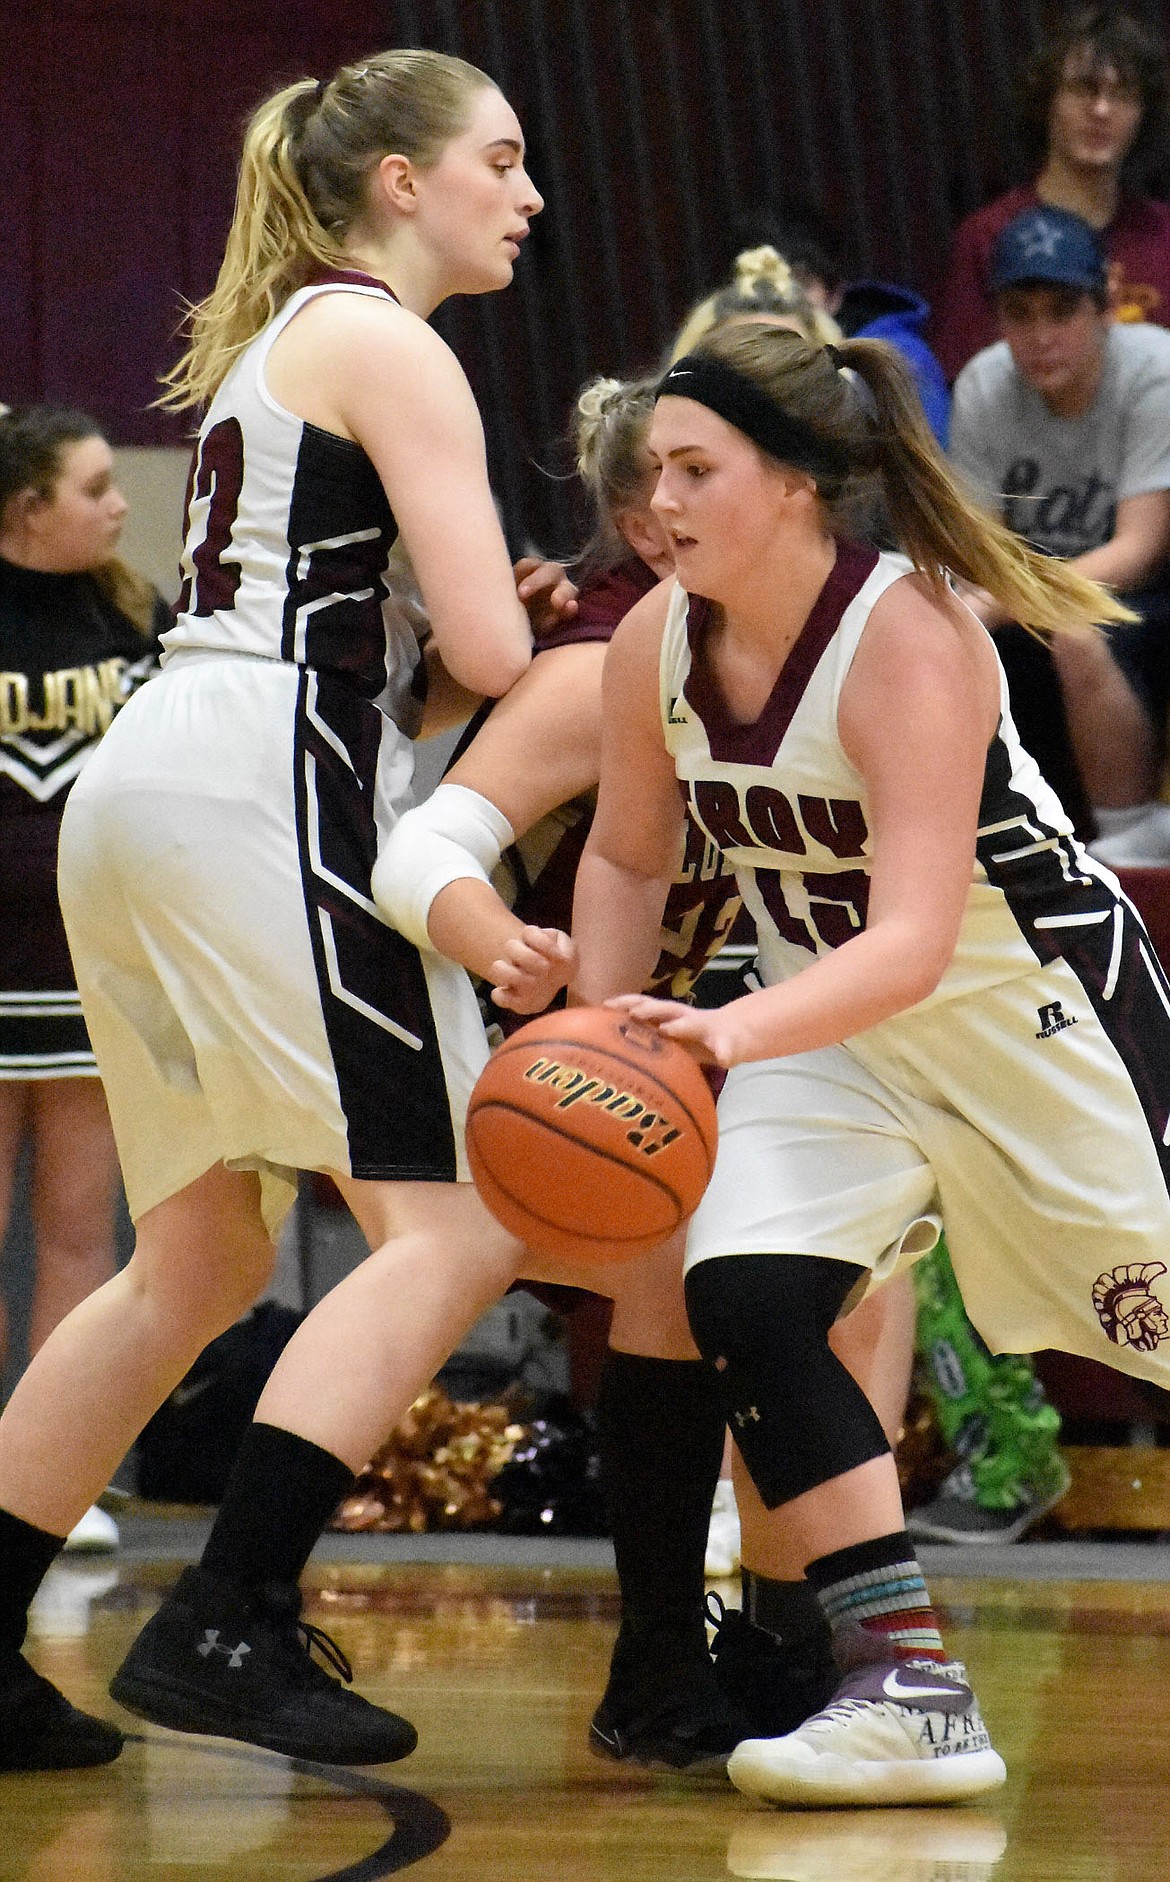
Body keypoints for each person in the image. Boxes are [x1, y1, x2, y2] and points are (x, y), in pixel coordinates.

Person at [0, 47, 576, 1776]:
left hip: (151, 779)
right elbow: (489, 659)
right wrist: (599, 682)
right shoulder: (392, 342)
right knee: (458, 1226)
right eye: (502, 157)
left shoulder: (286, 340)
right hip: (260, 779)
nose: (530, 192)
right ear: (399, 180)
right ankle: (230, 1607)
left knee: (199, 1253)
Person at [505, 319, 1170, 1808]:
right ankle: (906, 1683)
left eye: (695, 468)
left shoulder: (910, 637)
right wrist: (609, 1033)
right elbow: (624, 850)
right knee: (737, 1288)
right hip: (828, 1024)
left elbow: (920, 936)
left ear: (797, 483)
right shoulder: (650, 641)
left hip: (1027, 1021)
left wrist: (724, 1032)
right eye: (655, 470)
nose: (658, 499)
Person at [0, 407, 169, 1557]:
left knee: (78, 1230)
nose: (118, 506)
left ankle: (49, 1479)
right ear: (27, 511)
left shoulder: (136, 612)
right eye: (95, 488)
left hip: (89, 963)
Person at [950, 204, 1170, 859]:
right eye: (1021, 314)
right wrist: (979, 607)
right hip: (1029, 593)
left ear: (1106, 309)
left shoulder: (1153, 371)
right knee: (942, 634)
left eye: (1062, 311)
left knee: (1075, 631)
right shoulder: (983, 385)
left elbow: (1140, 548)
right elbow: (978, 552)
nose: (1041, 335)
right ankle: (986, 845)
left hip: (1144, 595)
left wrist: (998, 603)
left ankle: (1129, 845)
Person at [933, 3, 1170, 381]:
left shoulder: (1164, 235)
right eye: (1083, 89)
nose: (1102, 110)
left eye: (1122, 94)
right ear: (1048, 102)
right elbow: (966, 385)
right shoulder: (985, 238)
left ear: (1143, 114)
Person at [728, 206, 951, 446]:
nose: (779, 301)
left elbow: (919, 469)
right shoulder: (712, 360)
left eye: (800, 285)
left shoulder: (897, 358)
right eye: (762, 286)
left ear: (834, 295)